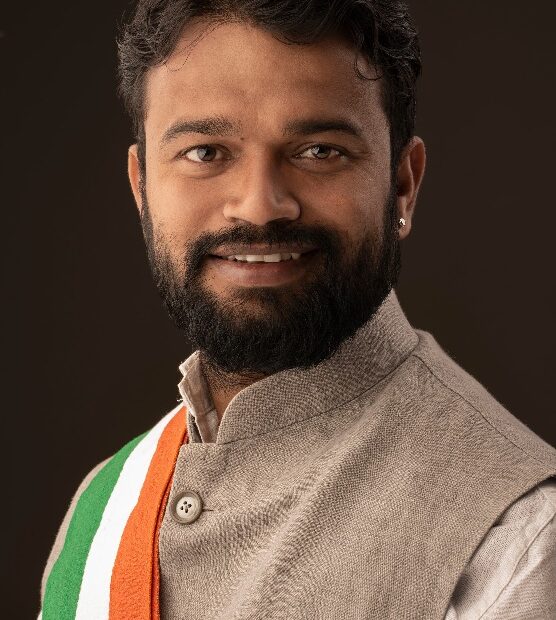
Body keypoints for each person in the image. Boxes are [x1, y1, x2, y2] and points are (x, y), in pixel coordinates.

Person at [38, 1, 556, 618]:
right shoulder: (102, 508)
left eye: (319, 151)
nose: (260, 206)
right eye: (205, 152)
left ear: (403, 185)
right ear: (141, 188)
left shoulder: (517, 537)